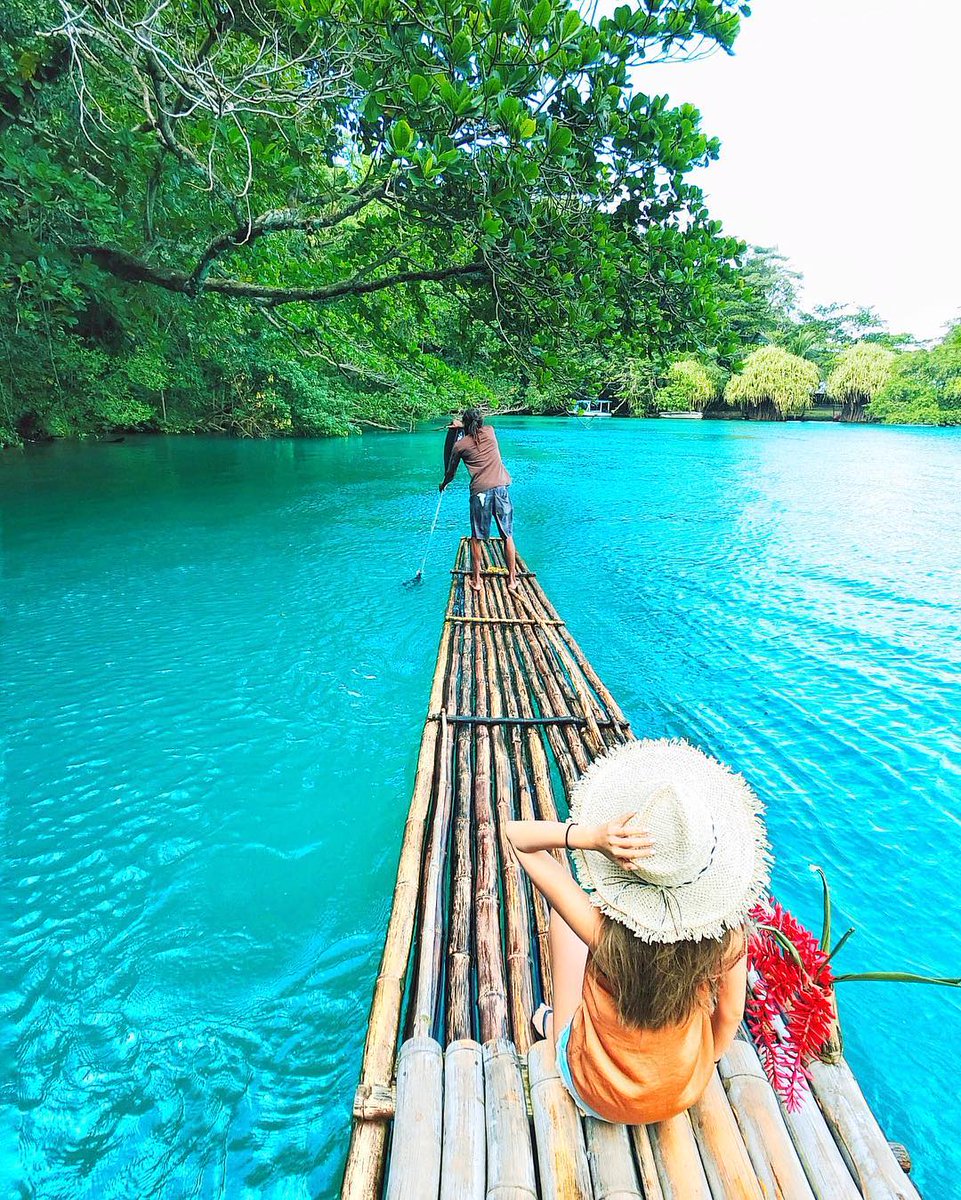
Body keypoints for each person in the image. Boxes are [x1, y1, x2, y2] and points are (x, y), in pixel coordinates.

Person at [505, 738, 770, 1125]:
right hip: (683, 1092)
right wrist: (699, 1064)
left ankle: (555, 1028)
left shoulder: (605, 934)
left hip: (595, 1092)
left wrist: (590, 837)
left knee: (564, 919)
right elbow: (729, 1015)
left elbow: (517, 838)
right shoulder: (727, 935)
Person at [439, 408, 517, 593]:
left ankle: (477, 581)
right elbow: (476, 429)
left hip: (480, 492)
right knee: (507, 535)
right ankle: (512, 580)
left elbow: (451, 471)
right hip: (501, 488)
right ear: (480, 421)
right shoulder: (490, 431)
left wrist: (444, 483)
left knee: (477, 537)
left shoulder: (460, 446)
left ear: (465, 424)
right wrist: (464, 425)